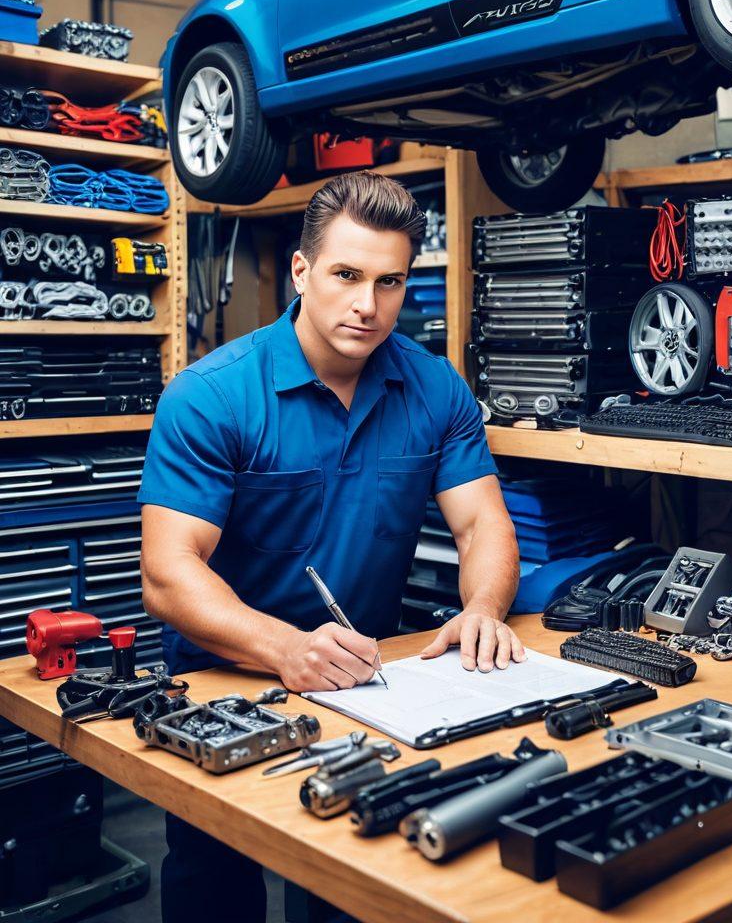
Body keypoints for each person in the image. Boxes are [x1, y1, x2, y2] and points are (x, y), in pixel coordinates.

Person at [139, 170, 522, 923]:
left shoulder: (435, 388)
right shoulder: (212, 395)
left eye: (389, 282)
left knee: (348, 882)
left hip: (364, 681)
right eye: (347, 275)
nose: (367, 305)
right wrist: (286, 649)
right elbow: (168, 572)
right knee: (216, 885)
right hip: (224, 681)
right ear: (302, 270)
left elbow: (482, 524)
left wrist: (483, 608)